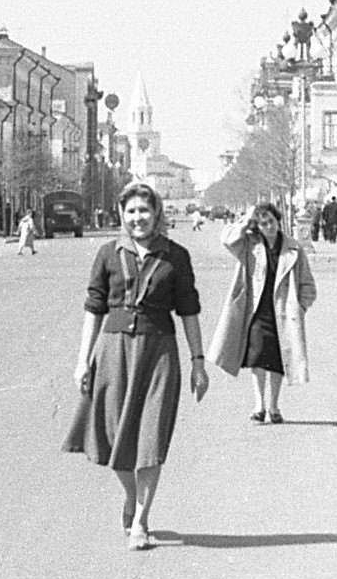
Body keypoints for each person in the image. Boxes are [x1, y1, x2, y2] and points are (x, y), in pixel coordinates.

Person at [65, 181, 209, 550]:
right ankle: (131, 496)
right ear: (121, 214)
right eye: (130, 212)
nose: (137, 218)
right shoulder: (108, 253)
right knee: (116, 438)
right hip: (113, 352)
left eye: (144, 211)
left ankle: (141, 520)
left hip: (159, 354)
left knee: (151, 438)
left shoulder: (175, 256)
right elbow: (93, 309)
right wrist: (83, 360)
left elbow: (189, 312)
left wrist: (198, 362)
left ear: (156, 213)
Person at [211, 201, 318, 424]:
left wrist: (300, 306)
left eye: (271, 221)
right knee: (258, 357)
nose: (268, 226)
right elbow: (226, 239)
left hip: (283, 311)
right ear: (257, 226)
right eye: (263, 223)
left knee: (278, 359)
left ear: (278, 221)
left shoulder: (294, 248)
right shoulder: (250, 245)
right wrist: (246, 218)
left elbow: (308, 285)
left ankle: (274, 405)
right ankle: (259, 405)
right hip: (257, 309)